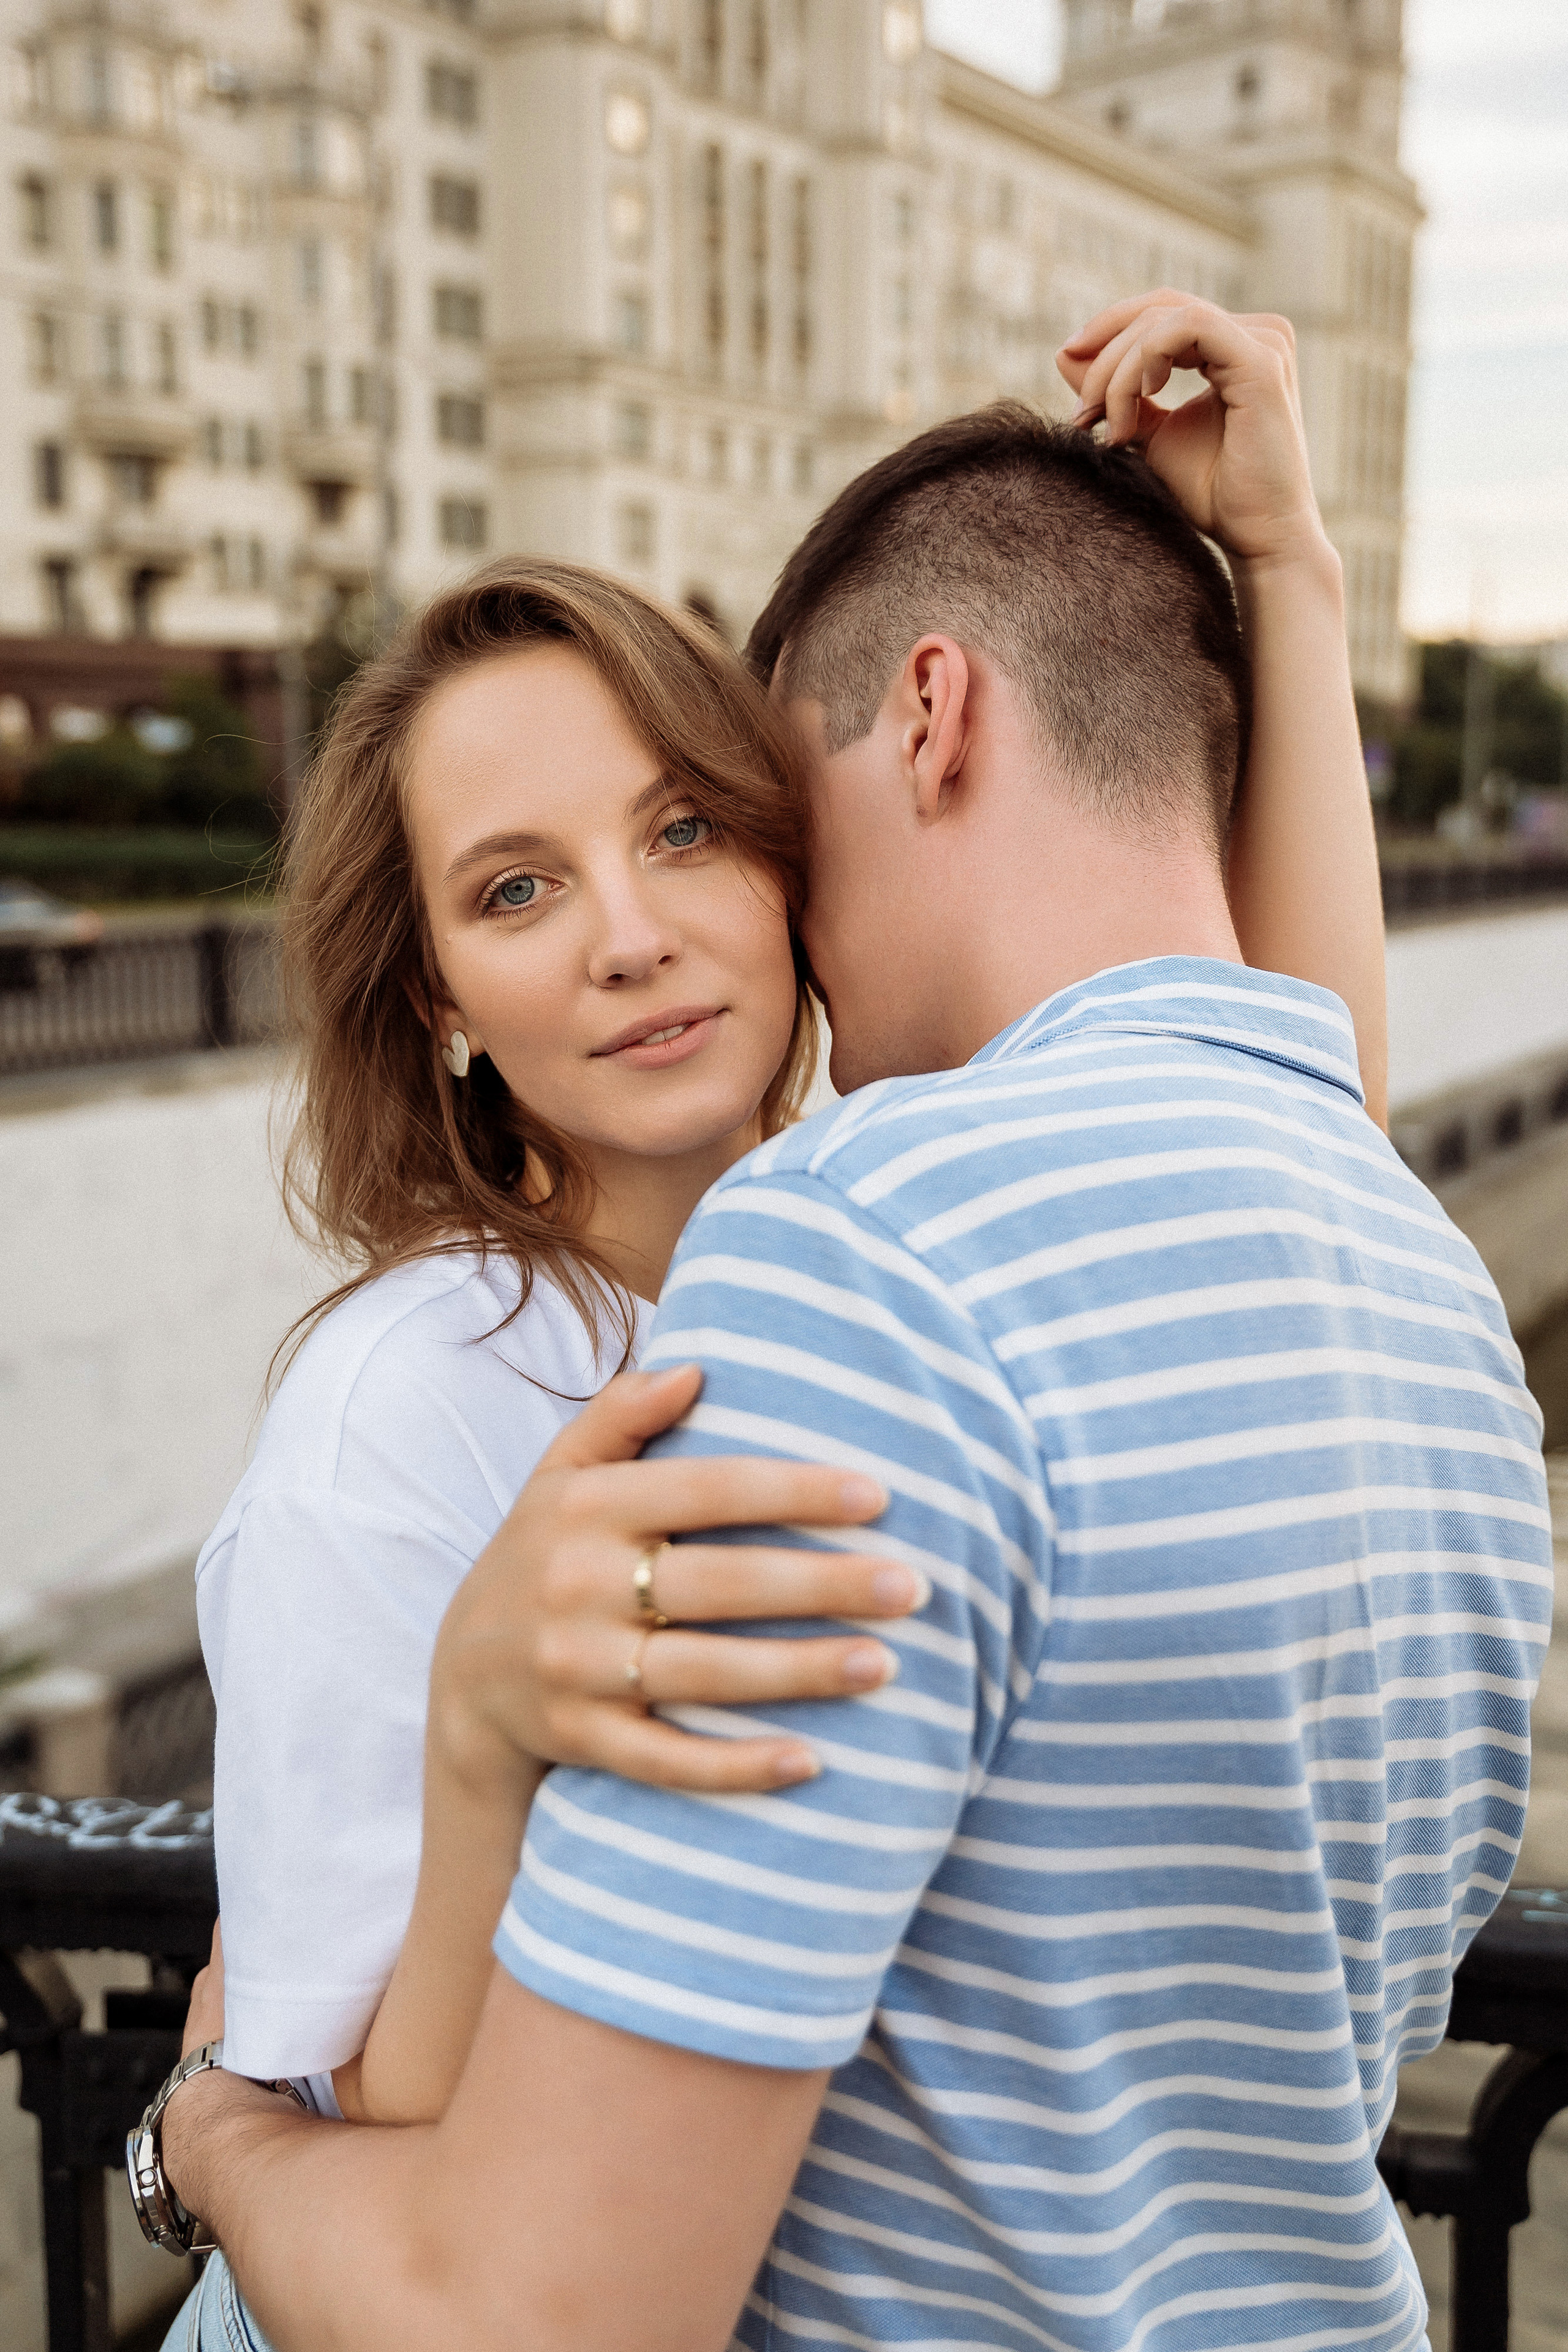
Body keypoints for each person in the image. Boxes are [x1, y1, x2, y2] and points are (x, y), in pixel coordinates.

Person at [161, 296, 1550, 2352]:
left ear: (898, 748)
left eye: (694, 827)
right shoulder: (1399, 1285)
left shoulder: (873, 1243)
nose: (634, 936)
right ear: (437, 991)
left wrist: (204, 2141)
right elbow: (392, 2129)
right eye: (517, 890)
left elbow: (1275, 1074)